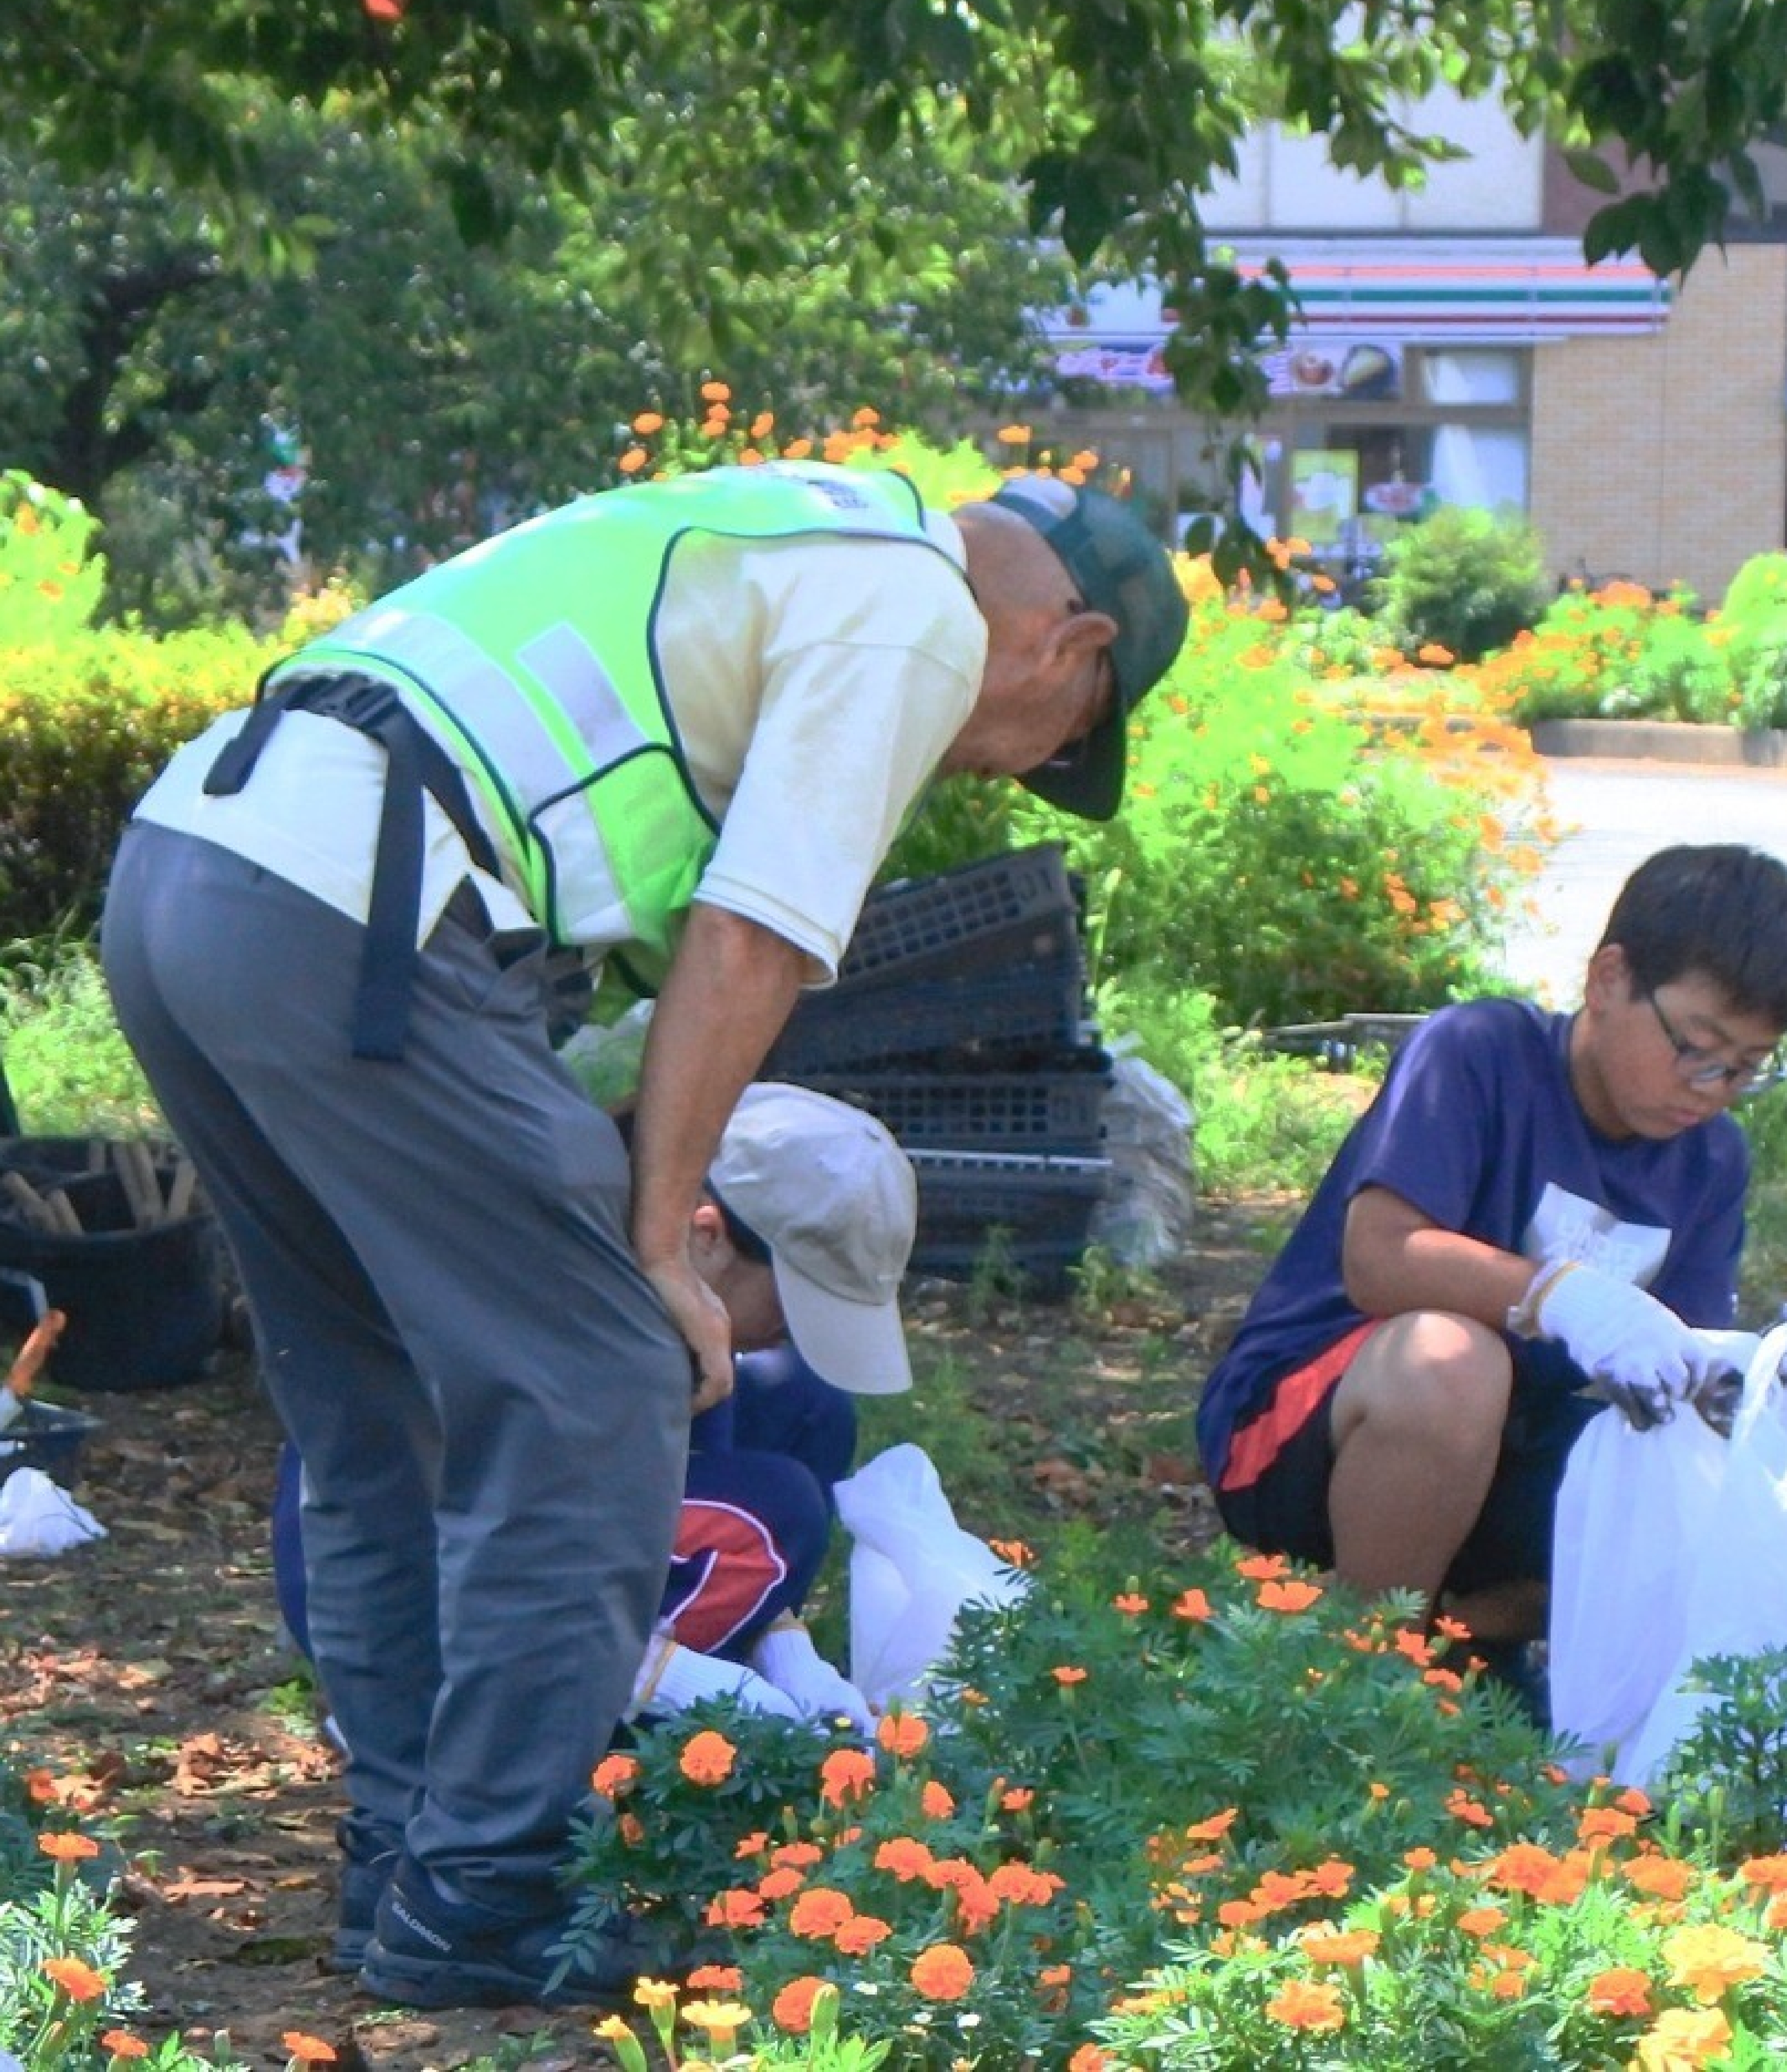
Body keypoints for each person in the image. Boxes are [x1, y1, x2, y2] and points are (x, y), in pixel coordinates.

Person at [101, 460, 1186, 2010]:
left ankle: (411, 1857)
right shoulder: (916, 615)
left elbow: (670, 962)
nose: (994, 774)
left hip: (198, 865)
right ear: (1067, 650)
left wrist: (629, 1192)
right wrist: (663, 1247)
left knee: (373, 1404)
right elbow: (752, 941)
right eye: (1050, 753)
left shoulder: (798, 532)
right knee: (602, 1372)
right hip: (356, 895)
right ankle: (492, 1884)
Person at [266, 1081, 908, 1961]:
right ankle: (533, 1746)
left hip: (531, 1518)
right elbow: (542, 1509)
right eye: (795, 1302)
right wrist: (677, 1680)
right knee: (783, 1507)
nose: (790, 1330)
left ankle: (648, 1677)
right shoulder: (584, 1305)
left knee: (804, 1408)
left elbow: (671, 1473)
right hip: (423, 1581)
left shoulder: (657, 1265)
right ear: (709, 1233)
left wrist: (789, 1650)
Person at [1195, 845, 1787, 1685]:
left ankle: (1458, 1642)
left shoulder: (1711, 1160)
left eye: (1746, 1068)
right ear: (1609, 979)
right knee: (1456, 1360)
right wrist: (1557, 1295)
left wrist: (1734, 1382)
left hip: (1504, 1462)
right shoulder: (1481, 1053)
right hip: (1313, 1433)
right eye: (1697, 1046)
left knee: (1695, 1476)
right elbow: (1379, 1259)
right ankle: (1360, 1680)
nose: (1710, 1086)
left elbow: (1677, 1363)